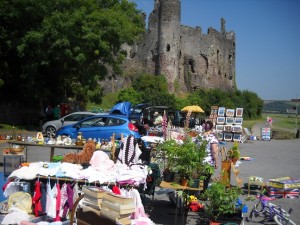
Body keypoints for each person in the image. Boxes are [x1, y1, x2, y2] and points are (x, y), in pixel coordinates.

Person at [202, 120, 219, 190]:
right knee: (206, 179)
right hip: (208, 162)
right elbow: (214, 152)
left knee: (200, 179)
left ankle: (197, 194)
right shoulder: (212, 138)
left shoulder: (200, 137)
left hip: (199, 160)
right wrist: (217, 162)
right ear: (212, 128)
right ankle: (203, 195)